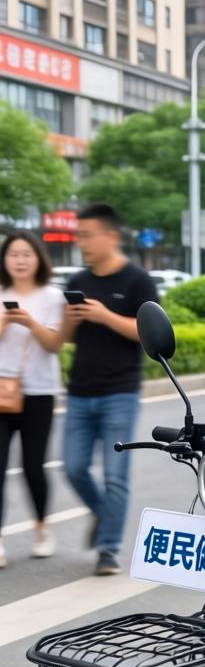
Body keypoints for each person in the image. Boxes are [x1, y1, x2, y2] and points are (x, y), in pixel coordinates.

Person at [63, 204, 158, 576]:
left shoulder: (137, 281)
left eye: (87, 235)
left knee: (115, 475)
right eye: (78, 235)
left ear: (110, 236)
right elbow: (65, 338)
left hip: (120, 392)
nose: (81, 242)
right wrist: (69, 321)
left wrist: (105, 315)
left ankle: (108, 548)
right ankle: (105, 516)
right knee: (72, 468)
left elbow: (147, 333)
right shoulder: (76, 280)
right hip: (78, 392)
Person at [0, 231, 65, 567]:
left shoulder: (52, 296)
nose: (20, 260)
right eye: (13, 254)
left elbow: (55, 344)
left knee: (32, 466)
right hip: (1, 393)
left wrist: (30, 323)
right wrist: (5, 322)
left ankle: (42, 528)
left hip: (39, 392)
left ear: (38, 258)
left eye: (27, 254)